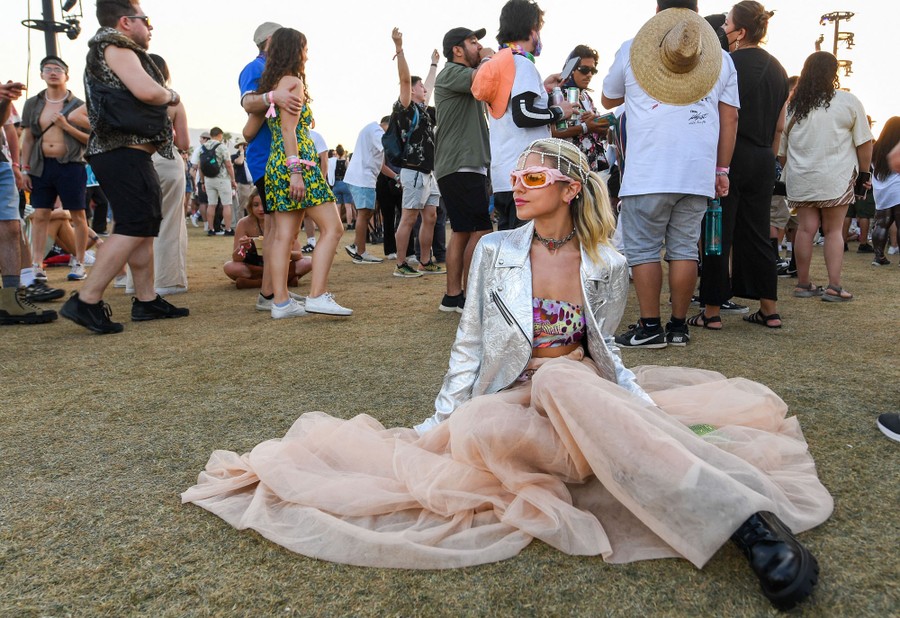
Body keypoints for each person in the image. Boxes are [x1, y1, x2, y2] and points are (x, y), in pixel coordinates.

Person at [184, 138, 831, 612]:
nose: (517, 186)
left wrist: (644, 409)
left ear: (569, 189)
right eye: (516, 176)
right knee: (479, 429)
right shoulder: (495, 251)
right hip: (514, 399)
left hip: (577, 389)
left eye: (533, 178)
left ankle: (746, 523)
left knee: (560, 378)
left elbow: (606, 351)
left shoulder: (606, 262)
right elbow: (469, 347)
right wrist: (437, 422)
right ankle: (622, 456)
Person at [601, 2, 739, 348]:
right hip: (697, 170)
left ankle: (650, 327)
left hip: (648, 169)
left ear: (658, 12)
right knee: (685, 249)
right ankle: (678, 326)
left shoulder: (632, 48)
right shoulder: (722, 59)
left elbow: (608, 98)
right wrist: (722, 169)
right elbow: (730, 118)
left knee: (644, 250)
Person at [60, 0, 189, 334]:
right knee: (132, 226)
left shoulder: (108, 50)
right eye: (145, 19)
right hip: (121, 153)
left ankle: (146, 300)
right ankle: (86, 300)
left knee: (143, 226)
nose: (150, 25)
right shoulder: (116, 47)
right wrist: (172, 96)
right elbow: (147, 92)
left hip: (126, 154)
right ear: (125, 22)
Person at [690, 2, 787, 331]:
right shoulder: (778, 68)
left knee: (717, 232)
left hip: (729, 155)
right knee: (759, 233)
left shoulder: (725, 64)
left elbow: (722, 116)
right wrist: (770, 159)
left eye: (727, 24)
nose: (722, 29)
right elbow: (780, 125)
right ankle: (769, 310)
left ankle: (712, 311)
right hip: (763, 156)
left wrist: (720, 164)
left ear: (740, 32)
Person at [247, 27, 350, 317]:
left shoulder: (271, 87)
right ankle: (317, 295)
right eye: (305, 49)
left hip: (275, 164)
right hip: (298, 163)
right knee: (334, 228)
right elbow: (289, 129)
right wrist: (296, 171)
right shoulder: (293, 82)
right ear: (295, 51)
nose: (307, 55)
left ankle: (280, 303)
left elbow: (248, 131)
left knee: (282, 236)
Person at [778, 51, 873, 302]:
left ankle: (803, 284)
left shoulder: (792, 106)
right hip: (836, 177)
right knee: (833, 231)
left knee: (805, 230)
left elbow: (782, 152)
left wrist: (793, 170)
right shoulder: (848, 101)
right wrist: (864, 173)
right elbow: (864, 143)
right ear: (834, 73)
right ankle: (834, 287)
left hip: (801, 177)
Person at [487, 0, 574, 231]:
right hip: (526, 174)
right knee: (527, 245)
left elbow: (511, 111)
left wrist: (541, 89)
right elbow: (522, 115)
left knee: (509, 244)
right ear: (532, 30)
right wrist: (560, 111)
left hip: (504, 175)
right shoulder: (522, 65)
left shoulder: (502, 63)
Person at [434, 26, 495, 312]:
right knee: (481, 230)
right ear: (457, 50)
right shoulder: (452, 72)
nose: (478, 46)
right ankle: (470, 298)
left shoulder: (459, 75)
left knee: (461, 231)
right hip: (462, 164)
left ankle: (452, 296)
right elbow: (484, 76)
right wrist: (489, 57)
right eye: (473, 42)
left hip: (460, 164)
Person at [19, 56, 91, 283]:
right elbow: (28, 137)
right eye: (47, 69)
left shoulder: (79, 105)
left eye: (58, 69)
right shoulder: (33, 103)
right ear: (41, 74)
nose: (52, 72)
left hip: (71, 164)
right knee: (40, 214)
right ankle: (36, 264)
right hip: (41, 165)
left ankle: (79, 262)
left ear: (66, 75)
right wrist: (24, 169)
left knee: (78, 214)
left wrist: (66, 126)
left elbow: (92, 139)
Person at [124, 53, 189, 296]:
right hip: (167, 159)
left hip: (135, 160)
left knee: (138, 223)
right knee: (170, 221)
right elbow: (183, 143)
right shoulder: (173, 101)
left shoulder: (127, 99)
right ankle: (168, 281)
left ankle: (135, 283)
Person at [1, 78, 58, 324]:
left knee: (12, 228)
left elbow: (6, 126)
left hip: (2, 164)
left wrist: (5, 100)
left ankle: (11, 300)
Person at [389, 28, 445, 277]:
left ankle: (424, 260)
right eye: (420, 85)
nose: (425, 88)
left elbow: (429, 87)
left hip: (427, 171)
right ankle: (401, 264)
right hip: (412, 170)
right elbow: (404, 80)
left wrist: (434, 64)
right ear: (412, 91)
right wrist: (399, 49)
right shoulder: (405, 107)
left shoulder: (422, 110)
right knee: (409, 218)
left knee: (430, 216)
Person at [223, 187, 311, 288]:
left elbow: (298, 255)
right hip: (254, 267)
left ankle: (256, 282)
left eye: (264, 204)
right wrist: (242, 247)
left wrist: (280, 251)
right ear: (250, 206)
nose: (260, 209)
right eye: (256, 205)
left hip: (278, 265)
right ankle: (285, 280)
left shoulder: (282, 221)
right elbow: (236, 258)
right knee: (229, 267)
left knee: (308, 262)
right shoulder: (243, 223)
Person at [549, 45, 610, 175]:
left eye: (593, 71)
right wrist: (586, 127)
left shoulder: (586, 97)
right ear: (570, 69)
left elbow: (592, 129)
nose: (589, 75)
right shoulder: (559, 95)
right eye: (584, 70)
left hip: (588, 168)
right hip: (568, 169)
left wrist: (600, 125)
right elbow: (552, 131)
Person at [342, 118, 395, 264]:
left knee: (367, 212)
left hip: (362, 178)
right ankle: (360, 253)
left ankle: (356, 246)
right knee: (364, 213)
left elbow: (382, 166)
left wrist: (397, 177)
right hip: (362, 178)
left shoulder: (371, 130)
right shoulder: (377, 131)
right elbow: (389, 148)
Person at [870, 116, 900, 266]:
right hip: (898, 188)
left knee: (881, 224)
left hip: (880, 190)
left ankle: (878, 257)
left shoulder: (875, 147)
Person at [200, 127, 236, 237]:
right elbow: (228, 165)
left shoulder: (203, 147)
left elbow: (201, 167)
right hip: (222, 179)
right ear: (220, 135)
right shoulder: (222, 147)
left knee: (211, 204)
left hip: (208, 179)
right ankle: (228, 229)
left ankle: (211, 229)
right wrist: (233, 179)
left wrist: (202, 182)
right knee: (226, 204)